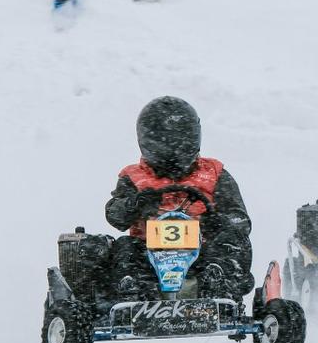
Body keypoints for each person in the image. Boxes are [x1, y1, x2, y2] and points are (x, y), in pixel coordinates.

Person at [105, 96, 255, 300]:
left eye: (178, 140)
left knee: (234, 240)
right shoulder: (134, 176)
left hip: (203, 255)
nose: (173, 148)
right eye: (166, 141)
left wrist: (215, 222)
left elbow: (240, 220)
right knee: (124, 246)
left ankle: (217, 281)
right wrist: (137, 204)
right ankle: (133, 288)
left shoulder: (213, 173)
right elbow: (115, 216)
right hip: (148, 257)